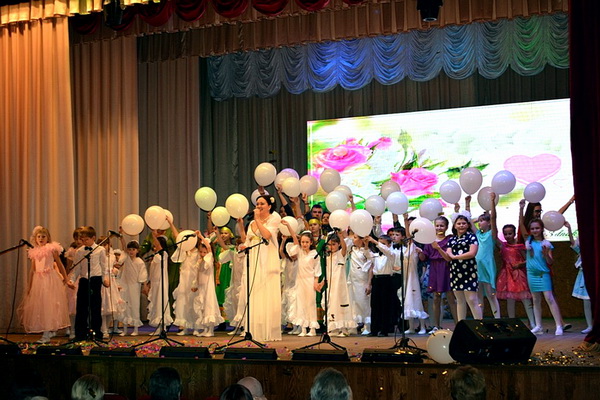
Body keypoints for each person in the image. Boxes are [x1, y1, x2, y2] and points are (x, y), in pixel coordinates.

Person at [519, 199, 567, 335]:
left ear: (541, 229)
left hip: (542, 274)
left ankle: (559, 325)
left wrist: (546, 255)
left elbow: (550, 262)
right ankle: (538, 325)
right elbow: (521, 224)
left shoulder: (546, 243)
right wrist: (521, 209)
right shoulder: (528, 241)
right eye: (533, 229)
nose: (535, 230)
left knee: (549, 298)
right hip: (531, 274)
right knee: (535, 299)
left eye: (537, 228)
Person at [238, 195, 282, 341]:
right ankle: (253, 328)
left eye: (262, 203)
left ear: (269, 206)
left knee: (266, 290)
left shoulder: (274, 218)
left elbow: (267, 235)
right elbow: (248, 240)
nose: (259, 206)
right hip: (254, 257)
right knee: (254, 290)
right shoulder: (251, 223)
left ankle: (267, 330)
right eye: (257, 204)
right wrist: (244, 246)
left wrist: (257, 219)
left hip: (267, 257)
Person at [18, 226, 70, 344]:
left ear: (48, 238)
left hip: (49, 279)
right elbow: (32, 270)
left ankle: (47, 334)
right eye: (39, 236)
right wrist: (30, 285)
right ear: (35, 238)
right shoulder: (34, 252)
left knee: (49, 305)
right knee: (41, 306)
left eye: (43, 236)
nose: (41, 239)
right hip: (38, 280)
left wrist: (66, 278)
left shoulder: (52, 249)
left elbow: (60, 264)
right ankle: (48, 332)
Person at [491, 196, 535, 328]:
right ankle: (512, 323)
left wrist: (520, 264)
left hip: (519, 275)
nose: (507, 236)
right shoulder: (503, 246)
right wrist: (492, 211)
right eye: (505, 234)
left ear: (514, 233)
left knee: (525, 299)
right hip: (506, 276)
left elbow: (529, 260)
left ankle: (533, 323)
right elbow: (494, 235)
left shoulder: (520, 246)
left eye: (510, 233)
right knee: (510, 300)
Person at [69, 226, 110, 341]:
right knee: (81, 307)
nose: (84, 242)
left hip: (95, 279)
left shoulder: (100, 250)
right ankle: (80, 334)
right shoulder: (80, 251)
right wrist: (72, 280)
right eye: (82, 240)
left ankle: (96, 333)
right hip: (84, 280)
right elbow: (76, 268)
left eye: (86, 239)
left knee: (95, 307)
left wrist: (105, 279)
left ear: (93, 238)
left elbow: (104, 267)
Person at [419, 216, 458, 331]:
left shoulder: (450, 239)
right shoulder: (430, 240)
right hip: (434, 269)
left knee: (451, 297)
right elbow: (424, 257)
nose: (439, 228)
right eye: (437, 225)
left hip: (447, 268)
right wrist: (420, 252)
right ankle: (436, 326)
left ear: (446, 227)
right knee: (436, 297)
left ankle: (458, 325)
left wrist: (438, 248)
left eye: (442, 225)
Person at [444, 215, 482, 321]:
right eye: (459, 223)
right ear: (455, 226)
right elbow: (448, 253)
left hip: (469, 272)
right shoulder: (452, 239)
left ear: (468, 225)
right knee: (460, 300)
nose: (461, 225)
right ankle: (461, 325)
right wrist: (441, 250)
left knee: (472, 299)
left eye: (464, 223)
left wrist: (456, 257)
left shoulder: (472, 237)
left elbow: (472, 253)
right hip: (455, 272)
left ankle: (480, 324)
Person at [285, 227, 321, 337]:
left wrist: (316, 282)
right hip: (300, 281)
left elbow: (317, 270)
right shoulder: (300, 252)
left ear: (311, 242)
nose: (304, 244)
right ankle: (303, 328)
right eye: (303, 242)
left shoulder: (314, 254)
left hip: (309, 281)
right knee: (301, 304)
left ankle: (312, 329)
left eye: (307, 242)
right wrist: (289, 227)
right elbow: (295, 240)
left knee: (310, 304)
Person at [169, 224, 202, 336]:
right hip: (184, 281)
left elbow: (198, 269)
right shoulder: (184, 251)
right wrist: (171, 224)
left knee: (194, 303)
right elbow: (177, 237)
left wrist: (195, 283)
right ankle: (184, 327)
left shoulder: (198, 252)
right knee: (183, 303)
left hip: (193, 281)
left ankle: (196, 327)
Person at [321, 234, 355, 337]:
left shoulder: (340, 254)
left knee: (340, 305)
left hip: (340, 285)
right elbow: (327, 272)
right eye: (329, 244)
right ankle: (334, 327)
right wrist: (323, 282)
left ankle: (343, 328)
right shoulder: (328, 257)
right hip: (331, 285)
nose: (331, 247)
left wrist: (341, 237)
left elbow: (344, 248)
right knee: (332, 305)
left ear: (338, 244)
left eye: (334, 244)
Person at [396, 231, 428, 335]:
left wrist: (420, 252)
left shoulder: (414, 247)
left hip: (414, 277)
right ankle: (411, 327)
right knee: (408, 301)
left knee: (416, 300)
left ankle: (422, 326)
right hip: (406, 277)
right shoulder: (405, 249)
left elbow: (422, 258)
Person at [192, 232, 224, 337]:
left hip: (208, 287)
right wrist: (195, 285)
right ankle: (205, 329)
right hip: (201, 287)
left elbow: (209, 247)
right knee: (202, 308)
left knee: (209, 306)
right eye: (201, 252)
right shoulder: (199, 261)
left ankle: (210, 330)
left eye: (204, 252)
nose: (202, 254)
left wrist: (201, 236)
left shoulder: (209, 258)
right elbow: (197, 274)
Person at [365, 234, 397, 337]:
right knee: (375, 305)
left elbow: (386, 250)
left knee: (385, 305)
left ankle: (384, 330)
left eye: (383, 243)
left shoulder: (391, 254)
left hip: (386, 280)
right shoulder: (376, 255)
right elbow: (367, 255)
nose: (380, 245)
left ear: (389, 244)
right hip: (376, 280)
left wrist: (374, 241)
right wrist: (366, 244)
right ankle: (374, 329)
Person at [116, 235, 148, 336]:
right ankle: (125, 329)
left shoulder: (140, 262)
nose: (131, 251)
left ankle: (135, 329)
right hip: (125, 284)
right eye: (129, 249)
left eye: (133, 249)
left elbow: (143, 275)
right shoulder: (126, 259)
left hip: (134, 285)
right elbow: (124, 248)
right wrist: (121, 237)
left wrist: (144, 285)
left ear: (137, 250)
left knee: (134, 306)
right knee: (125, 305)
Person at [565, 220, 592, 334]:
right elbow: (574, 244)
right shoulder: (582, 239)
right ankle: (590, 325)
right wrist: (569, 229)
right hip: (585, 273)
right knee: (586, 301)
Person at [473, 209, 501, 319]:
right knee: (479, 296)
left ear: (489, 223)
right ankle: (480, 320)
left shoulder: (491, 234)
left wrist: (492, 203)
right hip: (477, 267)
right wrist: (478, 219)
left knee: (491, 294)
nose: (479, 223)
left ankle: (497, 319)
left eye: (482, 221)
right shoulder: (478, 234)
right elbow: (469, 222)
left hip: (487, 267)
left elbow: (494, 218)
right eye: (479, 221)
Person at [98, 236, 125, 338]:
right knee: (103, 306)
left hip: (111, 281)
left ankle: (107, 327)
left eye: (107, 244)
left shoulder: (112, 256)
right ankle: (103, 328)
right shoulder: (98, 255)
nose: (105, 246)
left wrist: (114, 270)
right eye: (103, 244)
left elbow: (116, 265)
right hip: (102, 280)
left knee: (111, 307)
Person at [147, 235, 174, 333]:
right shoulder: (156, 255)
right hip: (155, 283)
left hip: (161, 282)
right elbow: (152, 271)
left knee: (160, 303)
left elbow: (159, 247)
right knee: (156, 303)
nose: (155, 247)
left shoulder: (164, 254)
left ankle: (162, 327)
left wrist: (154, 235)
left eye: (156, 245)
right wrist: (149, 282)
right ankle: (158, 327)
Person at [347, 234, 373, 335]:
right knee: (354, 303)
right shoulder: (352, 249)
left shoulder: (366, 251)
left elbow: (370, 267)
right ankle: (355, 325)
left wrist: (369, 283)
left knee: (364, 302)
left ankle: (367, 326)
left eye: (355, 238)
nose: (353, 239)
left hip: (363, 279)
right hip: (353, 279)